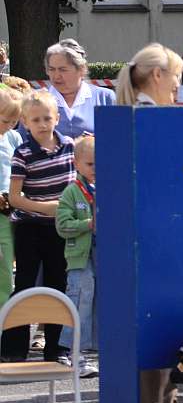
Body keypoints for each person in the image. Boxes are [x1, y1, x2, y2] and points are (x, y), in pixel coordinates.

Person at [115, 60, 183, 403]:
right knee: (163, 312)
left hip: (146, 229)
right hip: (159, 230)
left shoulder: (132, 114)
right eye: (176, 76)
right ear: (158, 76)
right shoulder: (152, 118)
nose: (179, 84)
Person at [0, 91, 76, 363]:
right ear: (25, 122)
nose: (43, 124)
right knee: (25, 284)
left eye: (47, 118)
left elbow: (74, 184)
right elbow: (16, 197)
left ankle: (57, 348)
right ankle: (12, 348)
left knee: (59, 283)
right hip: (30, 228)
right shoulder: (22, 153)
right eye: (36, 120)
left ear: (57, 117)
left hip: (60, 230)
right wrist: (47, 208)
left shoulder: (69, 146)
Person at [55, 135, 98, 377]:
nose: (95, 169)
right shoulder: (72, 192)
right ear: (77, 163)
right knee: (80, 300)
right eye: (90, 164)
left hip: (103, 257)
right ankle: (74, 353)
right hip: (79, 258)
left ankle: (91, 354)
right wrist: (88, 224)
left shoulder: (109, 189)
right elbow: (62, 225)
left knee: (99, 305)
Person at [41, 39, 115, 138]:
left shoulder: (104, 97)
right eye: (52, 69)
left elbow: (117, 137)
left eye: (63, 70)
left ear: (81, 69)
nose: (56, 76)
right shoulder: (37, 99)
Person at [0, 86, 23, 306]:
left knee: (7, 263)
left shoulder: (14, 138)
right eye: (5, 120)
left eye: (14, 122)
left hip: (9, 208)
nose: (8, 127)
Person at [114, 43, 183, 106]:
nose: (178, 84)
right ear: (157, 74)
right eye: (177, 75)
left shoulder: (131, 112)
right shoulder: (154, 116)